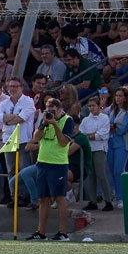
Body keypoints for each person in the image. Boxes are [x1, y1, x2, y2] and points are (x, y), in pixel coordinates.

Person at [26, 97, 74, 241]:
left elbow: (63, 142)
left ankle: (63, 232)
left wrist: (54, 125)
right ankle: (41, 232)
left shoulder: (68, 121)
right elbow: (36, 138)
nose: (49, 113)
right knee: (43, 198)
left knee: (59, 197)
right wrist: (43, 124)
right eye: (47, 110)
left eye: (52, 111)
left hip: (58, 164)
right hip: (42, 162)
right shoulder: (44, 119)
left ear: (59, 110)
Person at [0, 77, 37, 187]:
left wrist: (7, 120)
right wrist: (13, 117)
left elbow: (22, 118)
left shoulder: (28, 101)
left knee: (24, 169)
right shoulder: (4, 103)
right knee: (11, 170)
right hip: (8, 140)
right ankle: (14, 196)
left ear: (21, 87)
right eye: (10, 86)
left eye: (15, 86)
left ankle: (26, 196)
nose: (12, 89)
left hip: (23, 139)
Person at [80, 97, 114, 211]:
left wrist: (90, 135)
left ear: (99, 106)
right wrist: (92, 135)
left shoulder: (104, 118)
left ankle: (108, 200)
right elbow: (82, 134)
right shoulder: (85, 120)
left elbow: (102, 135)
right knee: (91, 176)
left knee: (101, 174)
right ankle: (93, 201)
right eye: (89, 106)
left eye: (93, 105)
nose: (91, 108)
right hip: (89, 149)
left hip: (100, 149)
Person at [107, 86, 128, 210]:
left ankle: (122, 197)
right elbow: (105, 122)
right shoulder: (111, 110)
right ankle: (115, 195)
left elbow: (121, 129)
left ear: (125, 98)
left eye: (120, 96)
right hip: (110, 143)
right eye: (116, 95)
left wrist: (113, 126)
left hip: (121, 144)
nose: (117, 98)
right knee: (110, 170)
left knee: (118, 170)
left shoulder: (126, 112)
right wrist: (113, 126)